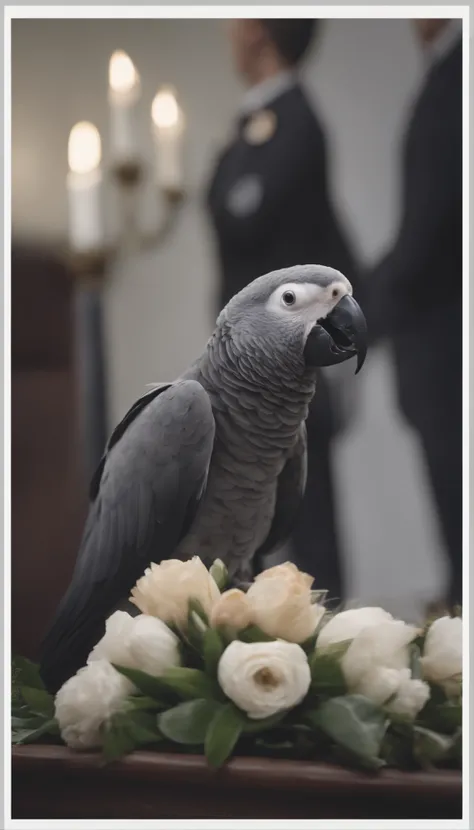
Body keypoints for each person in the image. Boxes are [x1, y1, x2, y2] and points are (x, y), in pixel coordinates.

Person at [206, 19, 361, 601]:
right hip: (255, 366)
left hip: (289, 359)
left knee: (307, 507)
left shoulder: (292, 119)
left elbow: (241, 213)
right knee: (264, 507)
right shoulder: (258, 121)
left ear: (257, 33)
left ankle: (330, 644)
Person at [367, 19, 462, 608]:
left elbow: (429, 229)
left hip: (448, 346)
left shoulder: (455, 80)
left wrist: (357, 319)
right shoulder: (443, 78)